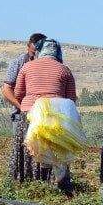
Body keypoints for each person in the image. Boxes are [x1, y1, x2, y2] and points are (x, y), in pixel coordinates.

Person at [12, 38, 77, 192]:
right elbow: (71, 99)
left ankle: (25, 182)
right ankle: (57, 184)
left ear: (40, 51)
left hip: (30, 113)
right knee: (55, 149)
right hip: (56, 117)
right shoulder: (64, 70)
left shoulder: (27, 67)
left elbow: (18, 93)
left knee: (31, 148)